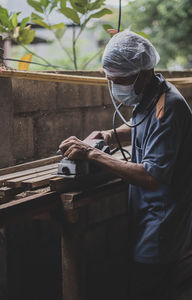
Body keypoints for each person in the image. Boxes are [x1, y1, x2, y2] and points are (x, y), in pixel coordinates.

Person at [59, 30, 192, 300]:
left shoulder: (168, 107)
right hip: (147, 217)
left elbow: (151, 176)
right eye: (109, 80)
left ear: (142, 73)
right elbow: (141, 128)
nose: (114, 86)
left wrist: (93, 154)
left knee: (151, 288)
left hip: (161, 226)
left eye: (119, 80)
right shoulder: (151, 94)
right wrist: (108, 135)